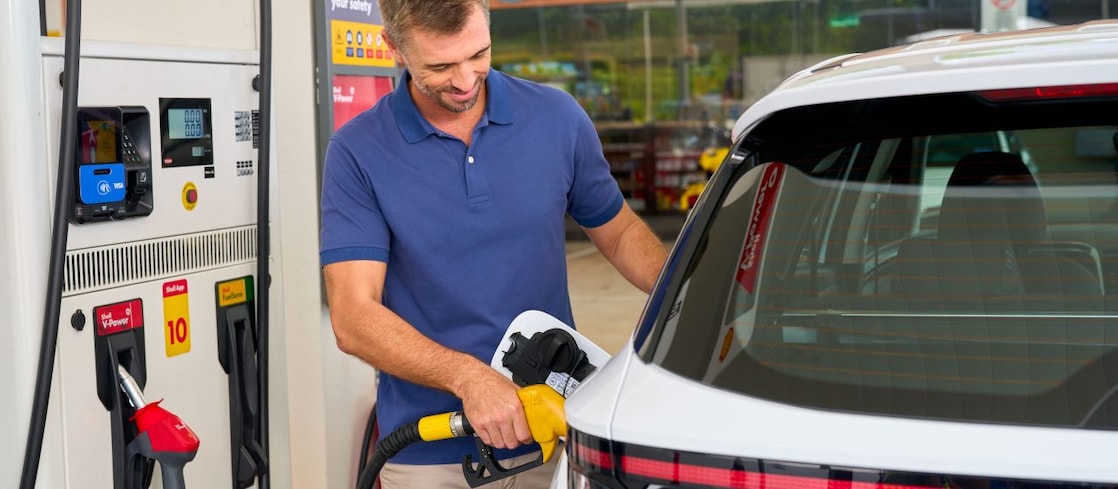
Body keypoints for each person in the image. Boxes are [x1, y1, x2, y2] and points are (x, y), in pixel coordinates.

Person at [318, 1, 668, 487]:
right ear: (394, 48)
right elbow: (354, 317)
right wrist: (468, 377)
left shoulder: (556, 118)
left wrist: (691, 297)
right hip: (432, 453)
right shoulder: (358, 151)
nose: (465, 80)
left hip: (553, 436)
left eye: (478, 54)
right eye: (441, 66)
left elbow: (621, 232)